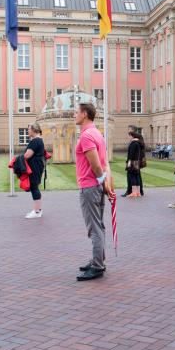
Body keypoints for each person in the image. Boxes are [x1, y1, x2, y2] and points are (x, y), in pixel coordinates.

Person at [74, 102, 111, 281]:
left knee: (94, 227)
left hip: (89, 187)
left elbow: (96, 164)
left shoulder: (87, 135)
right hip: (95, 186)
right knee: (98, 225)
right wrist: (105, 185)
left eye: (77, 112)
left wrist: (101, 182)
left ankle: (97, 266)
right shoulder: (97, 133)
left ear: (85, 114)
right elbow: (104, 164)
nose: (74, 115)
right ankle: (98, 260)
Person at [23, 123, 46, 219]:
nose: (28, 131)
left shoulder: (35, 141)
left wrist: (19, 159)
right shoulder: (38, 140)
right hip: (37, 165)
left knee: (34, 186)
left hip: (35, 166)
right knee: (34, 186)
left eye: (28, 129)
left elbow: (27, 155)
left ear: (33, 130)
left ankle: (37, 212)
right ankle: (38, 210)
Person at [123, 125, 144, 198]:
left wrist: (128, 163)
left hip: (132, 162)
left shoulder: (133, 143)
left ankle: (134, 192)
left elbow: (130, 155)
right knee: (137, 176)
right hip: (137, 162)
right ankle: (138, 192)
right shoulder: (138, 143)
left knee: (132, 176)